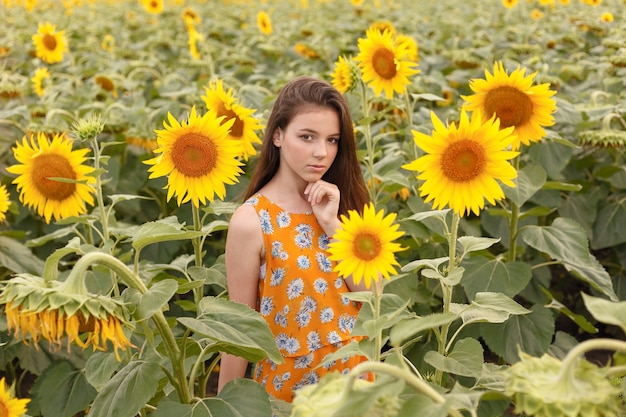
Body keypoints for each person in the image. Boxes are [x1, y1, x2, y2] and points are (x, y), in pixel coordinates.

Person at [217, 76, 372, 402]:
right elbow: (239, 329)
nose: (321, 153)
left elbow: (375, 298)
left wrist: (333, 226)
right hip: (291, 394)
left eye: (332, 140)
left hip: (356, 386)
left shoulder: (341, 206)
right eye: (307, 137)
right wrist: (224, 406)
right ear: (277, 135)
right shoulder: (252, 222)